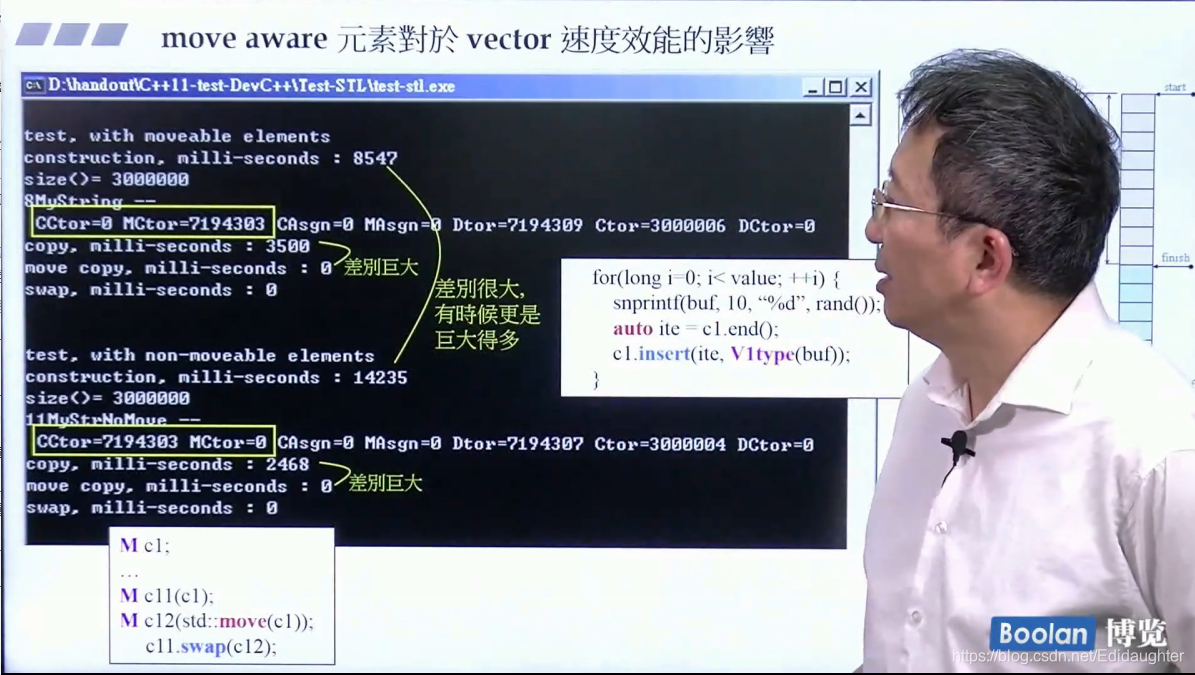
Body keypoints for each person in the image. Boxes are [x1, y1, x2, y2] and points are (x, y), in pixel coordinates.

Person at [858, 49, 1194, 672]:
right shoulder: (927, 408)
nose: (873, 231)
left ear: (986, 258)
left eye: (893, 204)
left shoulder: (1158, 455)